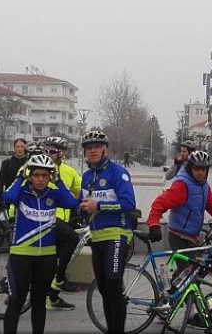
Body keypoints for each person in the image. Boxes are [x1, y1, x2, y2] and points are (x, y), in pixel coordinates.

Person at [147, 150, 212, 327]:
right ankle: (189, 314)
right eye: (197, 169)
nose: (200, 172)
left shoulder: (203, 185)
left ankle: (167, 300)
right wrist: (153, 224)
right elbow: (160, 202)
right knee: (190, 274)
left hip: (192, 236)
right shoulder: (182, 186)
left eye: (204, 169)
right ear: (190, 168)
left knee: (190, 272)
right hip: (179, 235)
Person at [3, 154, 81, 334]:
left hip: (46, 257)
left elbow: (71, 203)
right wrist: (20, 176)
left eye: (45, 175)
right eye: (36, 175)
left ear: (49, 177)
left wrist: (59, 181)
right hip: (21, 256)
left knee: (38, 303)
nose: (40, 179)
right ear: (30, 175)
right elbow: (8, 198)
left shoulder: (53, 194)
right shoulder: (22, 193)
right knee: (16, 302)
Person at [80, 130, 137, 334]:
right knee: (104, 289)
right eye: (89, 147)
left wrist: (99, 206)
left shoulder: (118, 172)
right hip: (96, 237)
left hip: (117, 235)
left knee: (113, 286)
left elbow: (129, 204)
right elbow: (83, 205)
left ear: (105, 149)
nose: (93, 150)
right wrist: (81, 208)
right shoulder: (86, 177)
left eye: (97, 146)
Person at [43, 136, 82, 311]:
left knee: (54, 259)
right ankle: (60, 279)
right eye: (45, 151)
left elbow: (81, 192)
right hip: (47, 217)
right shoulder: (39, 169)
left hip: (63, 221)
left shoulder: (70, 172)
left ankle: (52, 298)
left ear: (61, 154)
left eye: (52, 151)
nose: (48, 154)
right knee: (73, 238)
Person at [0, 138, 28, 209]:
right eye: (17, 146)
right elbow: (0, 181)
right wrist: (0, 199)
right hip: (10, 198)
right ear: (14, 148)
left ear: (25, 148)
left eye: (22, 147)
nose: (20, 149)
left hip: (26, 198)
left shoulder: (29, 163)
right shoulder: (7, 163)